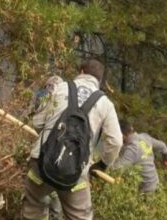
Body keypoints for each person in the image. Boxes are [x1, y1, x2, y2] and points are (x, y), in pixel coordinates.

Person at [22, 59, 122, 220]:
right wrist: (102, 164)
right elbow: (116, 141)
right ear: (99, 80)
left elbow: (37, 122)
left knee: (34, 206)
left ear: (81, 71)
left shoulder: (60, 88)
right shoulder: (105, 104)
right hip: (75, 173)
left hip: (41, 163)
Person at [112, 120, 167, 193]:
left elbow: (116, 169)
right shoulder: (144, 137)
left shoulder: (132, 149)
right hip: (156, 184)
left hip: (145, 192)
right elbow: (162, 146)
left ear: (121, 135)